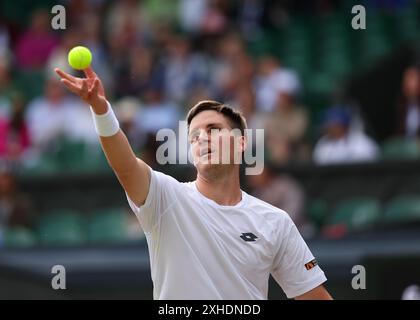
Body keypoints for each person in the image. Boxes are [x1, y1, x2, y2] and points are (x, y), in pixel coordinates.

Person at [54, 66, 332, 300]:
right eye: (194, 136)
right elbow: (125, 166)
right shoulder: (166, 196)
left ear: (241, 143)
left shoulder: (275, 221)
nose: (202, 139)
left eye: (213, 129)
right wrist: (101, 111)